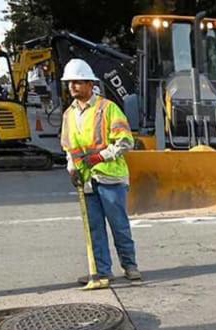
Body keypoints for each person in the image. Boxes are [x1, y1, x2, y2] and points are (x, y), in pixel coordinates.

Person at [61, 58, 141, 290]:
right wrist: (72, 168)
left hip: (110, 178)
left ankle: (130, 266)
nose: (73, 86)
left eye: (77, 82)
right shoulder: (69, 115)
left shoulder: (107, 108)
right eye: (70, 83)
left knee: (118, 225)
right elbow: (69, 148)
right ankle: (101, 271)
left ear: (90, 84)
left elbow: (126, 141)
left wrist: (101, 156)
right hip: (86, 180)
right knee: (94, 227)